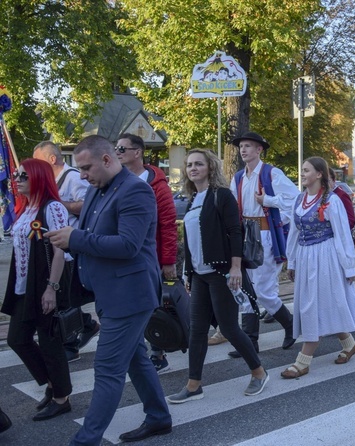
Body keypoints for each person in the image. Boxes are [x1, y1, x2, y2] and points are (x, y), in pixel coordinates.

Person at [45, 135, 172, 445]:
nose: (82, 175)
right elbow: (89, 234)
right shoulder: (95, 190)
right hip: (109, 292)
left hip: (130, 295)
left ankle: (85, 440)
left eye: (87, 168)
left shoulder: (136, 190)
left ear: (106, 160)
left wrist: (74, 239)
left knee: (106, 368)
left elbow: (128, 245)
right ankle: (159, 417)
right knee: (135, 359)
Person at [167, 149, 268, 402]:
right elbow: (191, 241)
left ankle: (259, 372)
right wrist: (187, 273)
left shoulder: (221, 196)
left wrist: (235, 268)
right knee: (197, 331)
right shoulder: (192, 200)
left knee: (229, 328)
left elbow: (235, 232)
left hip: (221, 271)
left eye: (198, 164)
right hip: (199, 275)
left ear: (210, 168)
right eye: (189, 165)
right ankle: (193, 385)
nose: (193, 169)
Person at [1, 159, 73, 422]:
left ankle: (61, 398)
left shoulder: (52, 207)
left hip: (45, 284)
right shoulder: (25, 208)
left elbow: (60, 251)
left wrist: (51, 289)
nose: (17, 179)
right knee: (17, 339)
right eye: (17, 175)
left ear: (38, 178)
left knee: (50, 340)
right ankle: (54, 383)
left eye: (23, 176)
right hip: (23, 286)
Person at [281, 157, 355, 378]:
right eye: (302, 170)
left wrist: (349, 267)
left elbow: (343, 235)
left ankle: (303, 361)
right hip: (306, 257)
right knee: (324, 303)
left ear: (319, 174)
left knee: (313, 306)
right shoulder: (299, 200)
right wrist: (293, 261)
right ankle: (349, 344)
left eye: (306, 170)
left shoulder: (332, 201)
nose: (302, 173)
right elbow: (294, 234)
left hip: (326, 257)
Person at [229, 132, 298, 357]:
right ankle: (250, 342)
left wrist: (267, 200)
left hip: (266, 235)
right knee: (246, 288)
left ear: (259, 150)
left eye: (248, 146)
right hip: (245, 234)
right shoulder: (239, 177)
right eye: (241, 146)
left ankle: (290, 325)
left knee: (264, 291)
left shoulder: (271, 173)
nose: (243, 150)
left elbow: (295, 199)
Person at [116, 133, 178, 374]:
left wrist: (168, 260)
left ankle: (157, 352)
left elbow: (168, 224)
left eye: (123, 148)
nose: (118, 152)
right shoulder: (116, 181)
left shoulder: (156, 185)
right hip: (125, 255)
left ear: (137, 152)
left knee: (152, 305)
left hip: (150, 257)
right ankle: (136, 350)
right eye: (116, 148)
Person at [33, 141, 99, 363]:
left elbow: (86, 205)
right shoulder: (51, 179)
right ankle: (87, 324)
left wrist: (58, 203)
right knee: (65, 298)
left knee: (65, 298)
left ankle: (71, 342)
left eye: (38, 160)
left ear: (51, 159)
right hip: (56, 246)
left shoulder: (72, 177)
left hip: (71, 247)